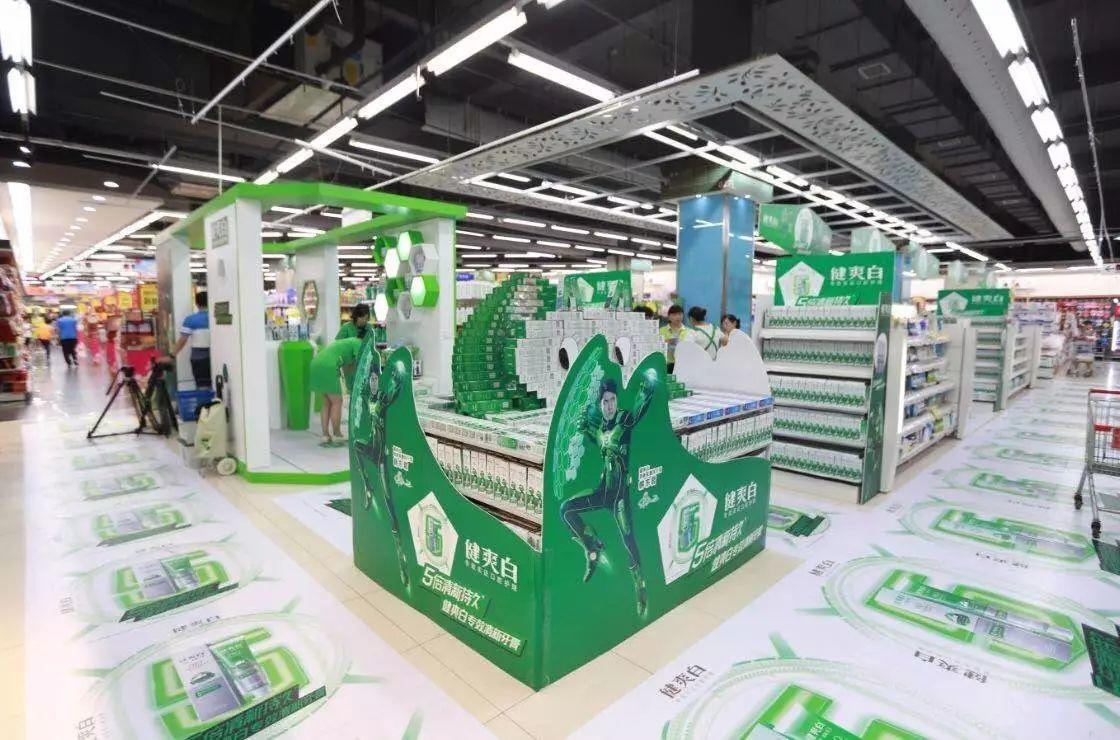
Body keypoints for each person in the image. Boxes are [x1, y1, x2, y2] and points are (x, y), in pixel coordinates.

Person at [560, 375, 656, 615]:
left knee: (629, 541)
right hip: (603, 492)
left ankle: (641, 587)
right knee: (566, 510)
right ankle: (592, 547)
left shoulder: (624, 419)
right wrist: (583, 426)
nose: (610, 405)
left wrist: (646, 391)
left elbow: (638, 412)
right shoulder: (599, 428)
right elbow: (592, 434)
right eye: (605, 401)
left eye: (613, 400)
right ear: (600, 403)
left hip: (619, 497)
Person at [309, 336, 363, 446]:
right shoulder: (358, 343)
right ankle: (337, 434)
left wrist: (349, 387)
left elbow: (348, 370)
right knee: (337, 401)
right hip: (329, 366)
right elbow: (361, 363)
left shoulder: (346, 343)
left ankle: (325, 435)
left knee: (326, 402)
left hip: (316, 363)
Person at [170, 292, 211, 389]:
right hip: (218, 357)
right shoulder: (215, 319)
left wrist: (172, 355)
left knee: (203, 387)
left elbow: (182, 341)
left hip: (199, 359)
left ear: (197, 304)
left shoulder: (191, 320)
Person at [659, 305, 691, 373]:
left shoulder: (689, 332)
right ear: (669, 317)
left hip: (683, 366)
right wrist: (665, 342)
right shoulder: (661, 331)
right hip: (666, 365)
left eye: (680, 314)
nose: (678, 317)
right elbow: (655, 347)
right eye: (674, 315)